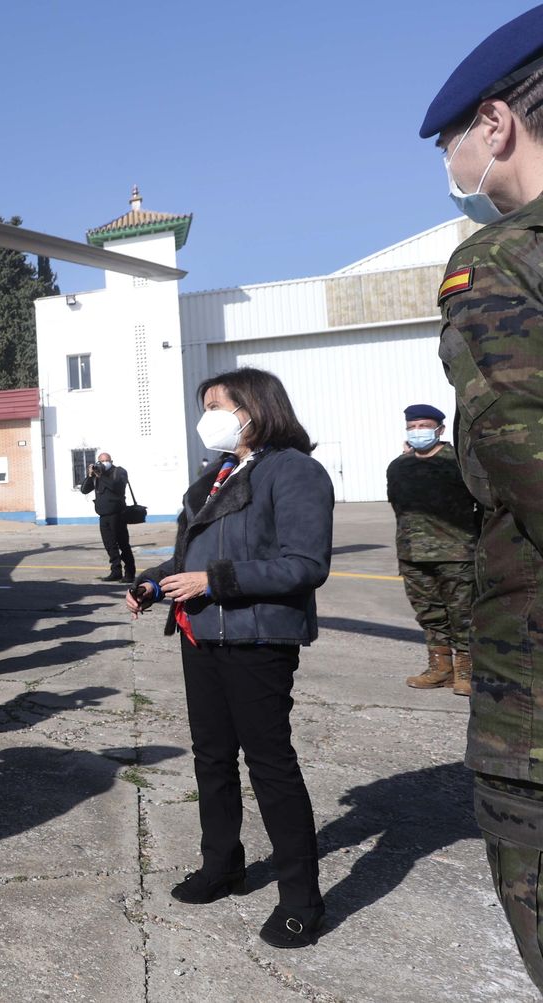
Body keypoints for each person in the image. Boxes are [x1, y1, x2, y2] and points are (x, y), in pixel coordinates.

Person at [127, 367, 333, 949]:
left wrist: (212, 582)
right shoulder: (214, 478)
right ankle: (223, 865)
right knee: (211, 756)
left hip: (256, 638)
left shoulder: (294, 471)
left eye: (218, 404)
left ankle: (301, 899)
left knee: (269, 763)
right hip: (203, 637)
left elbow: (303, 564)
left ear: (254, 407)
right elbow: (189, 557)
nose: (208, 416)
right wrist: (152, 582)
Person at [422, 9, 543, 986]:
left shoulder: (500, 264)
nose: (454, 163)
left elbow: (523, 464)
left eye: (453, 138)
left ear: (495, 124)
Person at [387, 404, 480, 695]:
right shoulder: (398, 466)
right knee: (429, 614)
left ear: (439, 429)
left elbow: (482, 500)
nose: (418, 432)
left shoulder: (459, 461)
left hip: (456, 553)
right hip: (413, 553)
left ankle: (467, 670)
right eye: (412, 427)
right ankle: (441, 669)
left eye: (424, 426)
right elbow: (397, 504)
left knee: (463, 613)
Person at [80, 451, 135, 582]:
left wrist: (101, 476)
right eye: (101, 461)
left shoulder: (119, 472)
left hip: (118, 514)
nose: (104, 463)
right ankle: (116, 571)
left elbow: (117, 487)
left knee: (123, 544)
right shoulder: (97, 475)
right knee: (109, 545)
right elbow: (84, 490)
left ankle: (130, 573)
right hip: (103, 515)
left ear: (111, 461)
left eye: (106, 460)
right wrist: (90, 475)